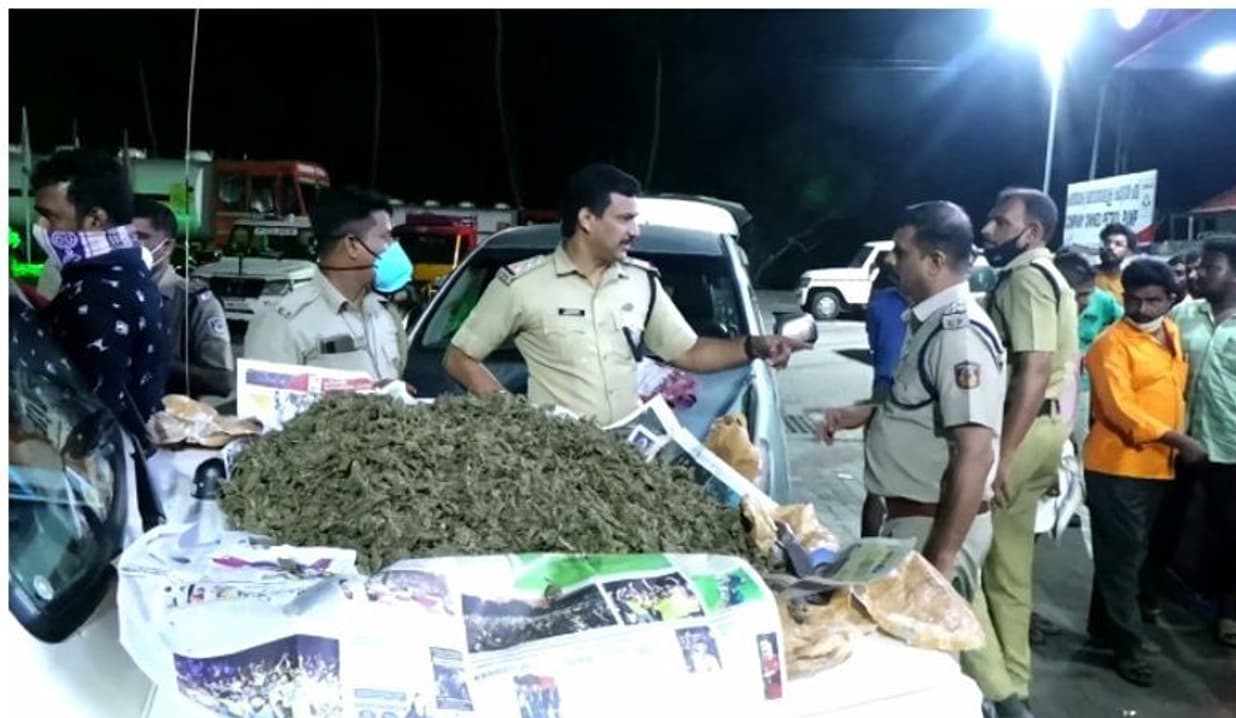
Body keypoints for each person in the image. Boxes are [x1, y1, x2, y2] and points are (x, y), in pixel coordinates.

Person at [444, 163, 808, 425]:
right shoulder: (522, 285)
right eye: (624, 219)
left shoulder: (640, 282)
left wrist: (753, 347)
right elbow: (460, 358)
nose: (635, 231)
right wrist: (517, 419)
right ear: (587, 220)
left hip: (623, 462)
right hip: (555, 463)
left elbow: (690, 352)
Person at [820, 201, 1005, 603]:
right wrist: (866, 413)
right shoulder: (930, 323)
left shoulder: (960, 335)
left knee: (926, 652)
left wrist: (942, 557)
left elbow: (975, 453)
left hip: (932, 530)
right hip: (913, 522)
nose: (890, 259)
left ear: (935, 261)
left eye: (901, 252)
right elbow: (924, 406)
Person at [966, 187, 1077, 718]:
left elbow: (1032, 369)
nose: (988, 231)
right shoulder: (1054, 277)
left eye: (999, 221)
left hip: (1023, 428)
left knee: (973, 561)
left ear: (1031, 233)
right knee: (1012, 565)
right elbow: (1066, 369)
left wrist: (1003, 455)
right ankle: (1016, 684)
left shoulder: (1026, 279)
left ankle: (1001, 691)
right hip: (1047, 427)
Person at [1142, 235, 1236, 648]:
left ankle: (1227, 610)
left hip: (1233, 448)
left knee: (1230, 532)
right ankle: (1147, 595)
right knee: (1163, 522)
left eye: (1210, 267)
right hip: (1177, 441)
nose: (1198, 274)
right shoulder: (1183, 314)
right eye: (1199, 266)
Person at [1082, 258, 1198, 687]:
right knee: (1124, 557)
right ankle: (1128, 649)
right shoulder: (1110, 344)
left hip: (1157, 467)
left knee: (1124, 553)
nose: (1143, 308)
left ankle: (1103, 627)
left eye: (1154, 300)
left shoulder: (1171, 333)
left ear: (1171, 299)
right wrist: (1178, 439)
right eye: (1134, 299)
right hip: (1117, 466)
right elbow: (1119, 409)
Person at [30, 149, 170, 444]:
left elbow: (90, 420)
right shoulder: (127, 272)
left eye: (51, 217)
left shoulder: (98, 294)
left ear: (95, 219)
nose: (43, 230)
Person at [244, 186, 411, 381]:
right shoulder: (284, 323)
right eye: (385, 236)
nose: (392, 245)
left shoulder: (385, 315)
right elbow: (266, 404)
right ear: (352, 246)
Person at [133, 197, 235, 400]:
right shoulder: (108, 291)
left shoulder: (194, 302)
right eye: (123, 238)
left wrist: (153, 360)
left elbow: (222, 381)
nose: (130, 246)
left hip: (168, 422)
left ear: (167, 246)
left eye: (141, 237)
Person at [1053, 249, 1124, 448]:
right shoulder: (1044, 301)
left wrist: (1101, 347)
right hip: (1047, 385)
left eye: (1088, 294)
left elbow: (1126, 325)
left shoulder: (1103, 300)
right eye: (1078, 295)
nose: (1084, 301)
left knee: (1078, 442)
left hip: (1081, 386)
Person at [865, 251, 910, 403]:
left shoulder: (877, 303)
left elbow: (873, 337)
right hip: (900, 377)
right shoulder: (909, 303)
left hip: (885, 373)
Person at [1095, 222, 1137, 303]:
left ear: (1128, 252)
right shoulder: (1086, 275)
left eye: (1118, 244)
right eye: (1107, 242)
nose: (1110, 247)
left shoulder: (1129, 283)